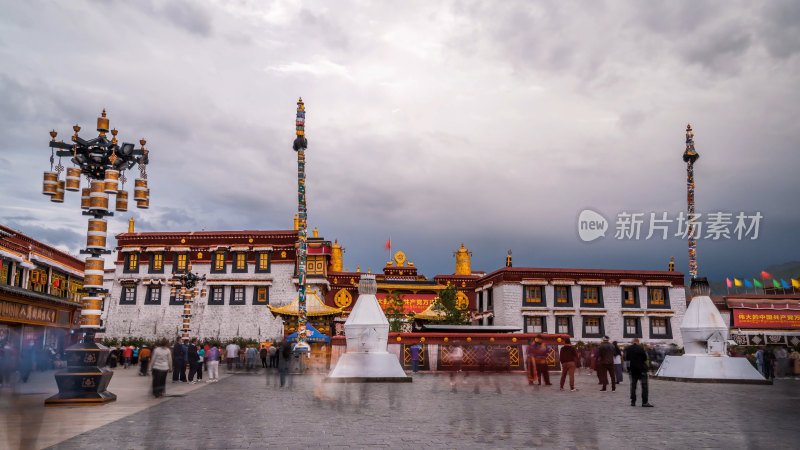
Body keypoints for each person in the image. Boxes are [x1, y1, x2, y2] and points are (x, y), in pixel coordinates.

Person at [625, 338, 653, 407]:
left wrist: (629, 369)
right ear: (638, 342)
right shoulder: (641, 348)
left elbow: (627, 360)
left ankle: (633, 401)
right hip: (641, 369)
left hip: (633, 370)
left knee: (633, 386)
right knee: (644, 386)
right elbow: (645, 358)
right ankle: (644, 402)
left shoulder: (628, 349)